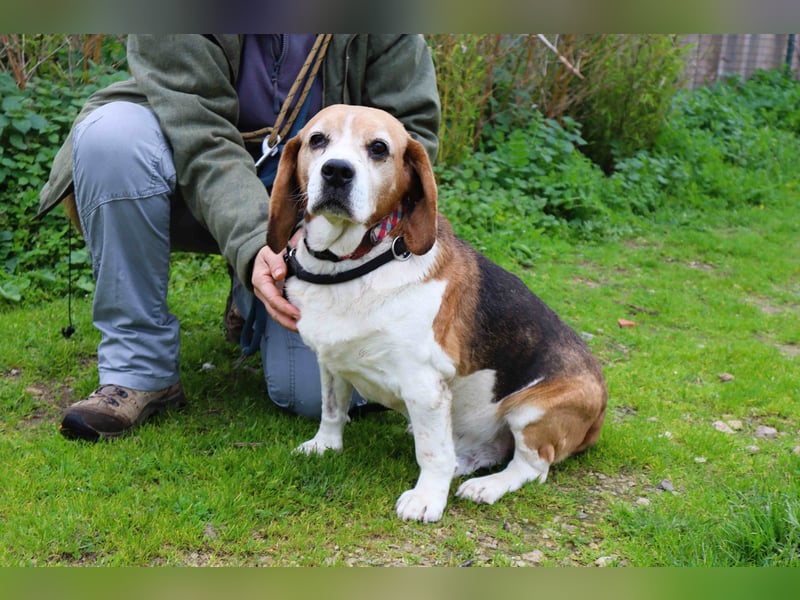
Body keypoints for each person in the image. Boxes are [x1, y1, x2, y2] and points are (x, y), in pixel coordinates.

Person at [37, 34, 441, 440]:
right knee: (111, 139)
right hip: (190, 177)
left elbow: (408, 138)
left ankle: (250, 299)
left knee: (309, 394)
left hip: (318, 210)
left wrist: (337, 233)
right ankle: (137, 369)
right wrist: (253, 244)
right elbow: (201, 138)